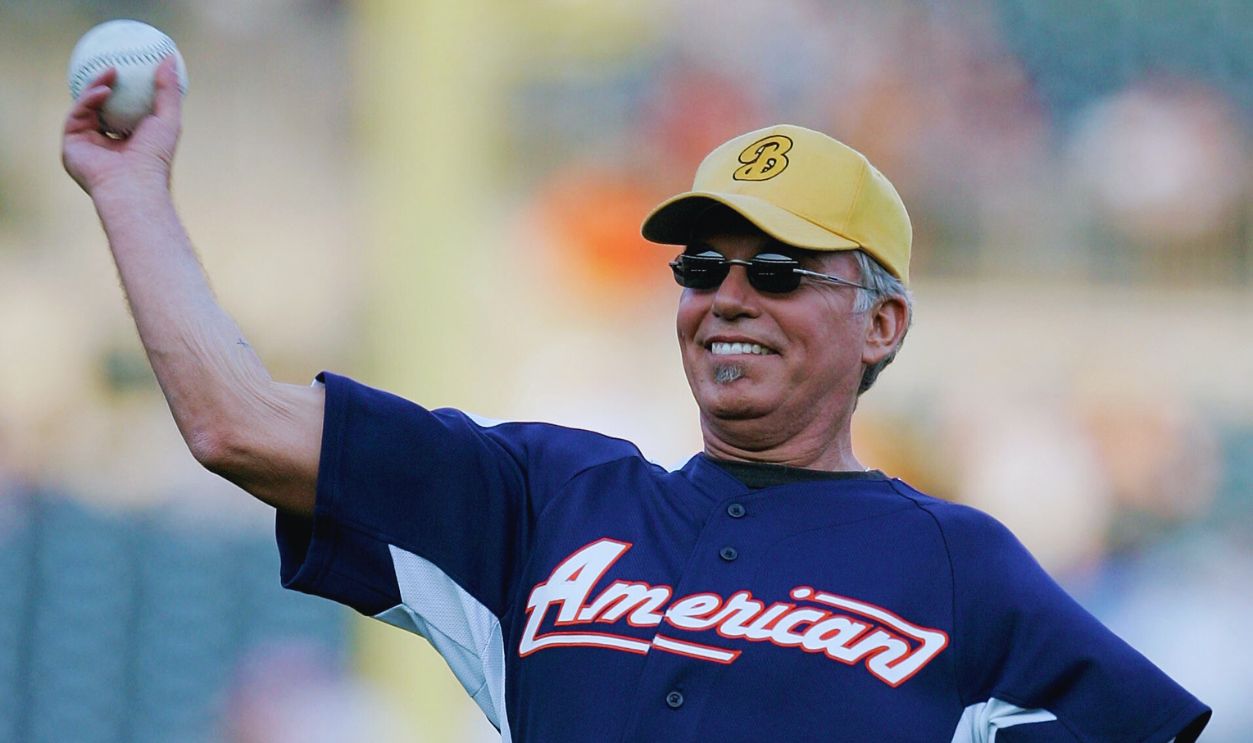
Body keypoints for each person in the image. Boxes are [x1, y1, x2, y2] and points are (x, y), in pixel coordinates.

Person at [64, 59, 1210, 742]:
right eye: (701, 267)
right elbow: (236, 424)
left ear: (881, 324)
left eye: (776, 270)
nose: (727, 297)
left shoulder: (961, 568)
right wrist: (130, 189)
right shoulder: (543, 497)